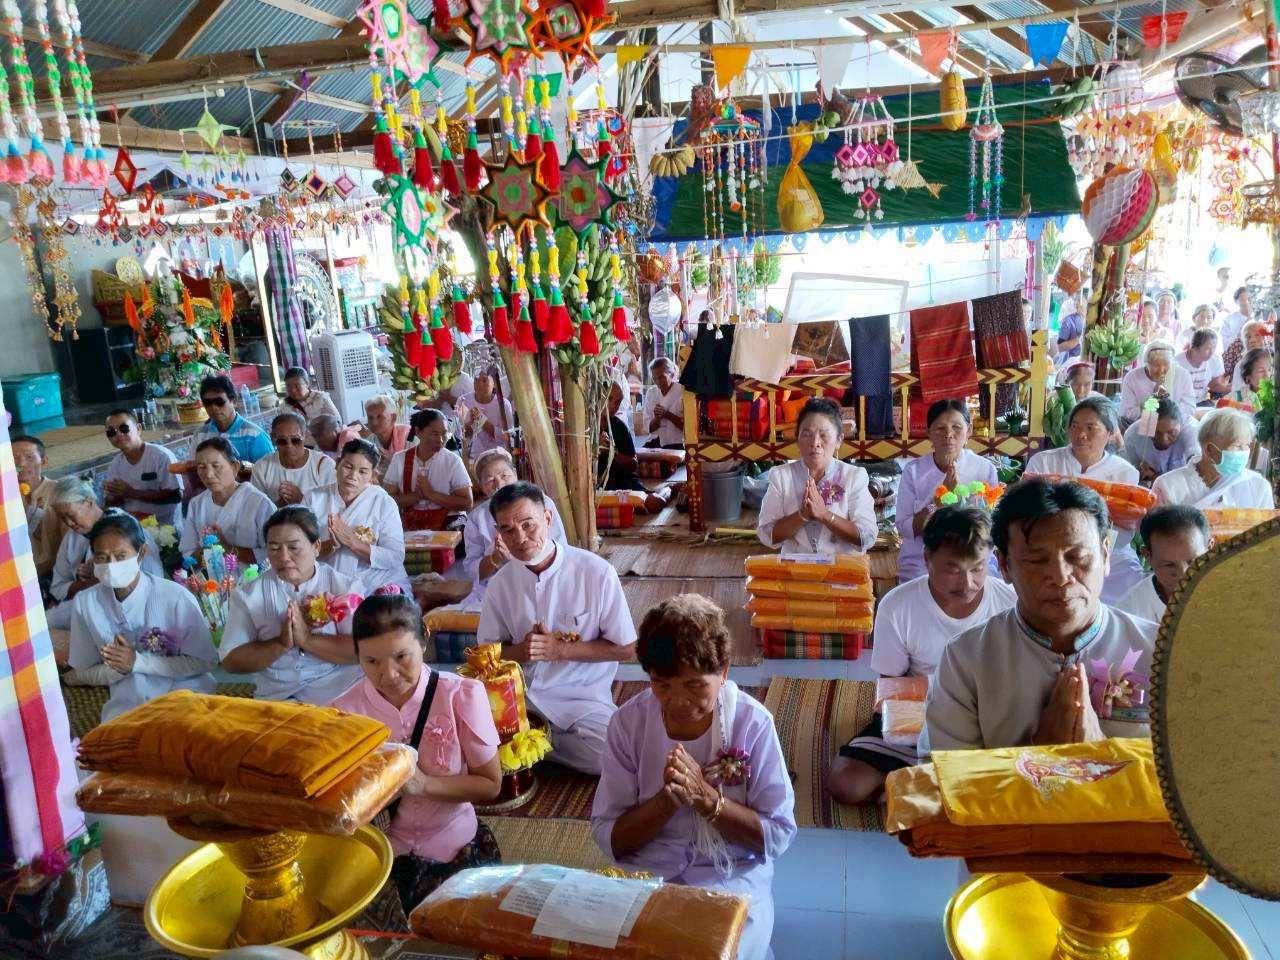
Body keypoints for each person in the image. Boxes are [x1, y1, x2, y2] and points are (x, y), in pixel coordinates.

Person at [591, 594, 795, 960]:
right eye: (662, 685)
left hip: (730, 877)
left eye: (695, 686)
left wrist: (708, 800)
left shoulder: (753, 723)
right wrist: (664, 803)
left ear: (725, 673)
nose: (678, 701)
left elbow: (777, 836)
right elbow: (611, 838)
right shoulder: (628, 723)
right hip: (647, 874)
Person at [920, 478, 1158, 753]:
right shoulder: (967, 659)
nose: (1060, 577)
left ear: (1105, 556)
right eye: (1035, 560)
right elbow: (944, 782)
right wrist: (1040, 749)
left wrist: (1098, 753)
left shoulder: (1158, 651)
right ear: (1005, 566)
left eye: (1077, 556)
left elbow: (1190, 781)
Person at [831, 508, 1016, 804]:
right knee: (847, 784)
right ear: (928, 559)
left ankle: (928, 785)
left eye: (978, 568)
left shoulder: (1011, 603)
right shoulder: (898, 606)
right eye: (953, 569)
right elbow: (891, 688)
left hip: (990, 719)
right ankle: (947, 782)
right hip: (921, 716)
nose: (967, 583)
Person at [333, 593, 502, 912]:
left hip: (455, 846)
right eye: (371, 662)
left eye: (402, 657)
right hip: (383, 856)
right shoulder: (344, 713)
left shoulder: (460, 695)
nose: (389, 675)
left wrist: (424, 785)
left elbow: (491, 785)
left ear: (424, 641)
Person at [476, 482, 636, 774]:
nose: (521, 538)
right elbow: (488, 656)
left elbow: (626, 648)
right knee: (460, 731)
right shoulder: (501, 584)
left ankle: (529, 749)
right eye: (508, 530)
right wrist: (522, 650)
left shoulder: (596, 572)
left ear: (547, 519)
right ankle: (528, 746)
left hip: (580, 698)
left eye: (528, 525)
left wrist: (561, 649)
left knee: (610, 757)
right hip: (520, 699)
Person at [65, 511, 216, 721]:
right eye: (102, 557)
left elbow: (206, 661)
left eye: (120, 557)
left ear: (142, 554)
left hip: (184, 694)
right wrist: (119, 670)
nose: (111, 565)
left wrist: (138, 662)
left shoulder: (174, 597)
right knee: (111, 745)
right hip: (127, 701)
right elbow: (84, 668)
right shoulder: (86, 603)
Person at [221, 505, 362, 703]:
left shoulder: (344, 586)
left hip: (339, 688)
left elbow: (362, 649)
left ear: (316, 547)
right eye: (274, 549)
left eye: (294, 547)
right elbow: (231, 660)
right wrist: (280, 643)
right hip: (277, 697)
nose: (284, 557)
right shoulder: (248, 595)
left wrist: (307, 639)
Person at [893, 400, 999, 582]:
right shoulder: (914, 471)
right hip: (923, 559)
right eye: (940, 428)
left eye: (957, 427)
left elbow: (991, 525)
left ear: (969, 431)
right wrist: (938, 501)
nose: (949, 435)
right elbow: (905, 528)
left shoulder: (984, 468)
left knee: (992, 585)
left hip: (974, 556)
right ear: (929, 433)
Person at [758, 398, 877, 555]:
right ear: (797, 439)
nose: (815, 442)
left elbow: (866, 537)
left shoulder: (854, 477)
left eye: (824, 435)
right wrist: (802, 515)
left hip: (841, 575)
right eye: (807, 434)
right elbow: (768, 535)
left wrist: (825, 515)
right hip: (797, 573)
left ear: (839, 440)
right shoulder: (781, 477)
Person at [46, 477, 164, 630]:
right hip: (86, 603)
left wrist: (102, 576)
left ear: (89, 502)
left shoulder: (125, 528)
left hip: (130, 609)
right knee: (44, 623)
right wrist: (84, 584)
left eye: (71, 514)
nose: (68, 522)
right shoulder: (72, 537)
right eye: (62, 517)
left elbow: (152, 579)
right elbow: (58, 586)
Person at [459, 448, 565, 610]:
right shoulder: (476, 519)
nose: (499, 484)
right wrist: (495, 558)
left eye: (504, 476)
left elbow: (560, 548)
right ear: (481, 486)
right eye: (490, 480)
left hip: (542, 581)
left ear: (515, 474)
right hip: (494, 588)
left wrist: (521, 557)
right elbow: (472, 570)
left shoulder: (541, 503)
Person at [304, 439, 409, 594]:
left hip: (376, 582)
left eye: (362, 471)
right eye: (348, 466)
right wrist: (330, 545)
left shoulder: (383, 503)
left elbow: (395, 557)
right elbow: (300, 551)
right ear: (337, 463)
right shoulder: (313, 498)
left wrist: (352, 542)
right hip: (328, 583)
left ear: (373, 475)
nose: (353, 476)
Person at [1152, 408, 1275, 510]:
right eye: (1237, 446)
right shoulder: (1168, 486)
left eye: (1246, 446)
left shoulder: (1258, 486)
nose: (1243, 453)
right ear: (1209, 449)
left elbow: (1267, 537)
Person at [180, 437, 275, 566]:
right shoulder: (197, 504)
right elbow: (189, 553)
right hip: (214, 583)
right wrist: (207, 550)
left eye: (216, 466)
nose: (208, 474)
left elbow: (273, 552)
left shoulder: (259, 503)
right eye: (202, 467)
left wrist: (226, 547)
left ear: (234, 467)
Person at [1117, 505, 1211, 624]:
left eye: (1193, 561)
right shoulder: (1131, 616)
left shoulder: (1234, 592)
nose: (1183, 574)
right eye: (1169, 565)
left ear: (1210, 548)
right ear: (1148, 556)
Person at [385, 409, 474, 528]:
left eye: (444, 433)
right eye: (434, 433)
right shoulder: (400, 459)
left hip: (448, 522)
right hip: (411, 522)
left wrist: (431, 494)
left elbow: (467, 503)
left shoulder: (453, 461)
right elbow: (386, 500)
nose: (441, 440)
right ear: (418, 431)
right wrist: (416, 496)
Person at [1026, 397, 1138, 484]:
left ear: (1110, 433)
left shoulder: (1125, 473)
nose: (1081, 435)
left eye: (1091, 428)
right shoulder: (1042, 463)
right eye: (1075, 427)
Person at [102, 409, 183, 525]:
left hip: (166, 529)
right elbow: (113, 503)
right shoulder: (115, 464)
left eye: (124, 429)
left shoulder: (161, 456)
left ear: (138, 429)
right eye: (111, 432)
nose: (118, 434)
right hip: (133, 529)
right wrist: (111, 496)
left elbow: (176, 495)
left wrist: (132, 493)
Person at [251, 412, 337, 506]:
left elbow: (334, 508)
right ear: (273, 439)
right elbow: (257, 511)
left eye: (295, 440)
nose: (289, 446)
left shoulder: (324, 466)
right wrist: (280, 504)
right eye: (282, 441)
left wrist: (301, 500)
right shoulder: (262, 468)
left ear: (305, 436)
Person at [193, 374, 272, 464]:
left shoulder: (255, 436)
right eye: (208, 403)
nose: (213, 407)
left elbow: (268, 473)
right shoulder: (200, 435)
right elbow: (195, 469)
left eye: (219, 402)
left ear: (234, 401)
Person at [13, 434, 62, 577]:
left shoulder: (60, 492)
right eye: (14, 458)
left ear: (44, 460)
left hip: (54, 571)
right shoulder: (5, 497)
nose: (21, 464)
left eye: (29, 457)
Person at [1120, 398, 1200, 484]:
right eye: (1156, 433)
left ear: (1180, 425)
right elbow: (1132, 472)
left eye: (1171, 432)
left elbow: (1196, 466)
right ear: (1146, 426)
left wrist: (1156, 477)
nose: (1164, 439)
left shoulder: (1191, 430)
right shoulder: (1133, 435)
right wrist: (1141, 472)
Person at [1118, 341, 1196, 425]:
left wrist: (1166, 417)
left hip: (1176, 426)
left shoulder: (1182, 375)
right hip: (1141, 427)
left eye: (1166, 364)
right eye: (1156, 365)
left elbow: (1190, 408)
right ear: (1146, 364)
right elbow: (1127, 414)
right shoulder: (1132, 378)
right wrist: (1155, 398)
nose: (1161, 370)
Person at [339, 395, 412, 481]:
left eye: (379, 417)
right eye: (370, 418)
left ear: (393, 418)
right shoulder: (369, 444)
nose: (374, 422)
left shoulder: (409, 436)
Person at [458, 367, 513, 461]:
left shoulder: (503, 404)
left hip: (498, 456)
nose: (478, 384)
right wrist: (472, 422)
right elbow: (459, 434)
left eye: (484, 380)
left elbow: (507, 436)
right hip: (473, 457)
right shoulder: (463, 401)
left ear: (494, 384)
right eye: (476, 380)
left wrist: (483, 421)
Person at [281, 367, 340, 442]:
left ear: (307, 384)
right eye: (288, 386)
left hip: (325, 443)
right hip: (300, 445)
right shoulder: (286, 405)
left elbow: (337, 422)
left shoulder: (321, 399)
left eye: (297, 385)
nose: (293, 390)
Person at [642, 357, 685, 449]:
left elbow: (688, 428)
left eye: (662, 377)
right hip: (654, 441)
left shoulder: (682, 391)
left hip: (676, 442)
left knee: (656, 464)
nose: (658, 382)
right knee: (642, 463)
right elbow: (649, 429)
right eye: (654, 378)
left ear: (672, 375)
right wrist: (657, 418)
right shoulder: (651, 392)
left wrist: (667, 414)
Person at [1176, 329, 1229, 403]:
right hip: (1181, 403)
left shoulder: (1215, 359)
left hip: (1202, 403)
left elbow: (1214, 386)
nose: (1211, 352)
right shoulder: (1177, 362)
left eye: (1214, 348)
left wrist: (1233, 389)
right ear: (1194, 347)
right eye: (1207, 348)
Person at [1222, 320, 1267, 387]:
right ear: (1243, 341)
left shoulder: (1274, 360)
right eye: (1248, 337)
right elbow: (1238, 392)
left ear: (1265, 337)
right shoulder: (1240, 366)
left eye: (1257, 335)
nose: (1252, 340)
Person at [1055, 295, 1084, 365]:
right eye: (1075, 301)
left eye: (1079, 300)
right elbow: (1059, 347)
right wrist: (1079, 338)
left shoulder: (1096, 320)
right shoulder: (1068, 321)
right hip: (1071, 363)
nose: (1077, 303)